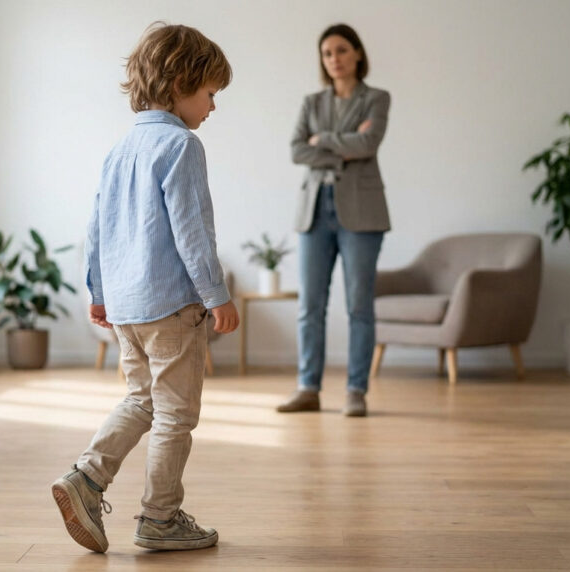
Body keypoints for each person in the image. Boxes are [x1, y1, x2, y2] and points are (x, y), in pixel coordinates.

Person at [51, 22, 239, 553]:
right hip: (174, 307)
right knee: (176, 414)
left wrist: (99, 293)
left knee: (141, 401)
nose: (212, 107)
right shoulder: (182, 145)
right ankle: (160, 517)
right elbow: (192, 232)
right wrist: (216, 296)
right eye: (210, 94)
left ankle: (86, 476)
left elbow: (97, 229)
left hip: (128, 309)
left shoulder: (120, 150)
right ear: (181, 83)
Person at [277, 23, 392, 417]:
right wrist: (344, 146)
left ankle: (356, 390)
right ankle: (308, 387)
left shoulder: (377, 98)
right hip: (315, 210)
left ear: (357, 53)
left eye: (341, 50)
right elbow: (296, 151)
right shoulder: (312, 102)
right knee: (310, 305)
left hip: (362, 212)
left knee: (359, 305)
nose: (334, 59)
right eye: (327, 53)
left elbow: (369, 143)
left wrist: (321, 140)